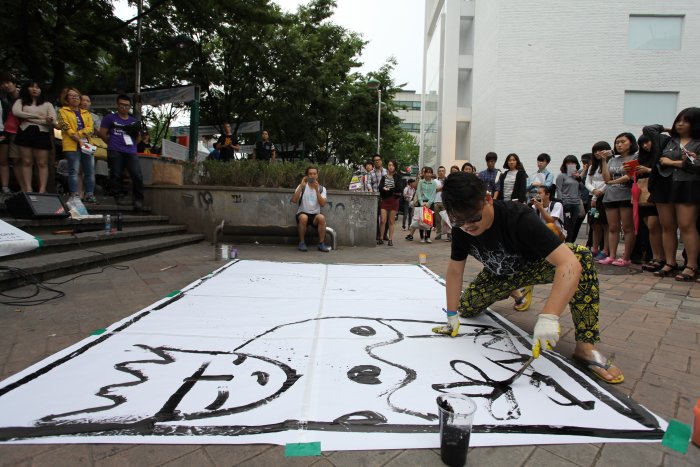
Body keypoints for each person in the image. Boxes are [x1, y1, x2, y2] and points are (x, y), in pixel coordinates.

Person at [434, 172, 624, 384]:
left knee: (580, 257)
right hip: (499, 274)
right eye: (459, 221)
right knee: (467, 308)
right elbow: (455, 270)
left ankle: (585, 347)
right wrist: (451, 314)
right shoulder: (461, 229)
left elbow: (569, 263)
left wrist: (549, 315)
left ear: (488, 199)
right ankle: (515, 290)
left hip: (534, 266)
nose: (468, 226)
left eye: (474, 217)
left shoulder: (518, 216)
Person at [646, 108, 700, 281]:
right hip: (665, 185)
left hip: (688, 186)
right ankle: (670, 263)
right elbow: (649, 129)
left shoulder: (698, 143)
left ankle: (691, 265)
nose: (680, 124)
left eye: (686, 121)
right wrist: (669, 129)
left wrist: (672, 162)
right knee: (667, 226)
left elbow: (696, 165)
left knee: (686, 225)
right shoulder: (667, 140)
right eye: (678, 120)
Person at [599, 133, 638, 267]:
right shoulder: (612, 160)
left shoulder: (635, 157)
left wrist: (612, 182)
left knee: (627, 228)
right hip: (610, 196)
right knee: (613, 227)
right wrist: (604, 160)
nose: (619, 145)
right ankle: (611, 256)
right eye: (617, 142)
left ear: (631, 143)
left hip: (626, 195)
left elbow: (629, 176)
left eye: (622, 142)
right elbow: (606, 178)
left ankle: (626, 258)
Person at [98, 94, 144, 209]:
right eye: (122, 105)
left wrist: (133, 145)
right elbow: (102, 133)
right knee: (116, 174)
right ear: (117, 105)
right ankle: (117, 196)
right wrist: (111, 143)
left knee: (137, 174)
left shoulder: (134, 120)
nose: (124, 107)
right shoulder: (109, 118)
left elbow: (139, 137)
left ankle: (138, 199)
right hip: (115, 150)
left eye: (127, 105)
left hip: (131, 151)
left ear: (130, 106)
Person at [12, 80, 55, 193]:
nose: (34, 89)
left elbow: (52, 121)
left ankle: (42, 189)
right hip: (25, 131)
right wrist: (39, 117)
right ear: (27, 89)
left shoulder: (47, 104)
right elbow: (17, 113)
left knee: (42, 163)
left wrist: (29, 119)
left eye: (37, 87)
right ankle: (28, 188)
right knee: (26, 161)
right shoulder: (20, 101)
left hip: (42, 133)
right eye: (32, 87)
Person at [56, 87, 96, 203]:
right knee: (74, 171)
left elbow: (90, 129)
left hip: (87, 144)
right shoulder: (62, 111)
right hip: (71, 145)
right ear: (66, 98)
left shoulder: (86, 113)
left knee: (90, 171)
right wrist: (78, 139)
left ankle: (89, 194)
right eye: (71, 95)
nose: (75, 97)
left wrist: (78, 134)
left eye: (77, 95)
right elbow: (66, 128)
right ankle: (74, 195)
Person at [634, 134, 664, 271]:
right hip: (643, 194)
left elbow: (665, 171)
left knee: (654, 226)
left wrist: (648, 170)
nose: (645, 146)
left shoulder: (661, 154)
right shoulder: (641, 157)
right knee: (650, 228)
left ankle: (661, 258)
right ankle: (656, 257)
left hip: (656, 193)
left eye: (647, 142)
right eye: (642, 144)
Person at [290, 166, 332, 252]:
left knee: (322, 218)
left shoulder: (322, 189)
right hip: (302, 213)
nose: (312, 176)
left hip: (315, 216)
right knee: (304, 217)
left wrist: (317, 191)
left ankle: (321, 243)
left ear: (317, 175)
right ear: (307, 176)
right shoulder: (302, 186)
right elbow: (294, 200)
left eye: (314, 174)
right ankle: (302, 242)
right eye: (310, 174)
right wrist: (301, 186)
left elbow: (323, 204)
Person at [586, 142, 611, 260]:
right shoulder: (592, 167)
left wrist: (599, 192)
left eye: (600, 150)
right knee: (594, 223)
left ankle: (605, 250)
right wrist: (594, 191)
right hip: (593, 199)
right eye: (595, 151)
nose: (597, 153)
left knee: (605, 224)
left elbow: (608, 181)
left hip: (604, 198)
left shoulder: (609, 164)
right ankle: (594, 248)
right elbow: (587, 182)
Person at [0, 72, 21, 194]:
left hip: (17, 132)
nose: (6, 85)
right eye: (3, 83)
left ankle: (23, 187)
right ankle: (5, 187)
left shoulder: (22, 97)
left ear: (14, 83)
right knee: (3, 160)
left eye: (8, 82)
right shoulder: (3, 97)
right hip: (3, 131)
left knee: (16, 160)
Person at [406, 166, 437, 243]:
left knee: (429, 220)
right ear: (424, 173)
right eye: (427, 172)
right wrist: (421, 203)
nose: (428, 174)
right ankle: (422, 237)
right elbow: (418, 192)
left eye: (430, 173)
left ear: (432, 174)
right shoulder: (421, 182)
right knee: (421, 220)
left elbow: (433, 194)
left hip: (430, 203)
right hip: (421, 203)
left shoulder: (434, 183)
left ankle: (428, 237)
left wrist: (429, 203)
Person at [556, 155, 583, 243]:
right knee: (566, 225)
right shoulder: (561, 176)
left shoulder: (577, 176)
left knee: (573, 225)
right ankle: (564, 243)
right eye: (568, 163)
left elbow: (582, 188)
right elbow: (559, 189)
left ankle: (570, 243)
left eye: (573, 163)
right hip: (566, 203)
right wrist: (561, 202)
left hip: (575, 204)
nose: (571, 165)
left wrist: (579, 178)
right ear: (565, 164)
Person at [378, 160, 403, 246]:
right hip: (385, 200)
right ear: (387, 166)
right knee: (383, 220)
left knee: (391, 221)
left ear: (395, 167)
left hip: (394, 200)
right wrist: (388, 190)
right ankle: (381, 238)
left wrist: (388, 189)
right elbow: (380, 188)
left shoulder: (398, 177)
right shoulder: (384, 177)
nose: (391, 167)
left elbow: (399, 188)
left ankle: (390, 239)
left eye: (392, 165)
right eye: (389, 165)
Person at [434, 166, 448, 241]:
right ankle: (438, 233)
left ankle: (449, 234)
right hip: (436, 201)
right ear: (438, 172)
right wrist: (442, 188)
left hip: (445, 202)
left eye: (442, 171)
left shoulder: (448, 180)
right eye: (439, 171)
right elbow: (433, 190)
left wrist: (439, 189)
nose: (441, 172)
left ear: (445, 172)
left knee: (446, 219)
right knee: (437, 219)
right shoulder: (434, 181)